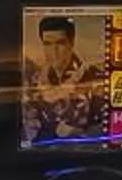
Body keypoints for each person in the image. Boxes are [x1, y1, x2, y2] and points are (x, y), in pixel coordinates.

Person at [20, 11, 112, 147]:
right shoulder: (34, 81)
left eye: (60, 43)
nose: (54, 50)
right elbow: (28, 128)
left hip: (85, 156)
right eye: (47, 44)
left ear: (71, 43)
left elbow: (111, 129)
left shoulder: (94, 78)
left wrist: (79, 135)